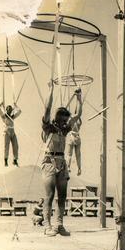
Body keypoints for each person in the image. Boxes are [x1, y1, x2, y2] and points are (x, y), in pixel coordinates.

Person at [41, 82, 72, 237]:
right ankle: (47, 225)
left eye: (66, 121)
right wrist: (51, 90)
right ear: (57, 118)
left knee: (63, 196)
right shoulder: (48, 128)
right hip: (49, 162)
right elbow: (47, 109)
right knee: (50, 195)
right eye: (62, 120)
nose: (65, 123)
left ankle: (59, 224)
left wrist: (79, 100)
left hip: (61, 163)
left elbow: (78, 116)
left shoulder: (64, 130)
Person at [0, 102, 21, 167]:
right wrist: (1, 104)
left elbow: (19, 111)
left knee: (16, 146)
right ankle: (6, 160)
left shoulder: (12, 117)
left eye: (10, 110)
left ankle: (15, 160)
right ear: (6, 110)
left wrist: (16, 106)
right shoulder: (4, 117)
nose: (9, 111)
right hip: (7, 132)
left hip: (12, 132)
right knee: (7, 146)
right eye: (8, 110)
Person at [66, 88, 83, 175]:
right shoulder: (77, 121)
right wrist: (78, 98)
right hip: (77, 137)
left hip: (72, 136)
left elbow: (78, 113)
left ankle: (68, 167)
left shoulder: (71, 119)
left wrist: (77, 97)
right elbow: (79, 113)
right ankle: (79, 168)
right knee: (77, 155)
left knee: (69, 154)